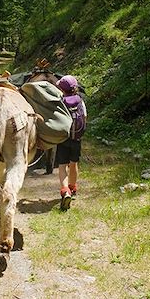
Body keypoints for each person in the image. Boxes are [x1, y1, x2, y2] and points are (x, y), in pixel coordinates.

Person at [55, 75, 87, 211]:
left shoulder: (60, 101)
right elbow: (84, 117)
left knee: (62, 166)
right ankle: (73, 188)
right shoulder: (80, 100)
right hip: (77, 139)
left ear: (61, 89)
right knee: (73, 164)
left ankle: (65, 190)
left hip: (63, 139)